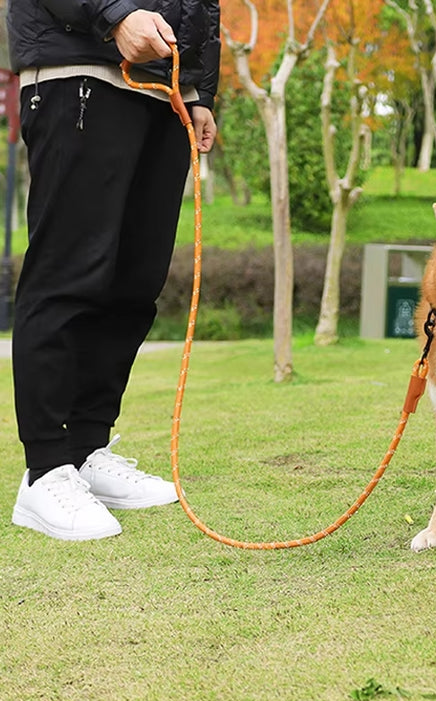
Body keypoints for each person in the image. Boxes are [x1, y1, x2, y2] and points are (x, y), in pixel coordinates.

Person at [7, 0, 220, 540]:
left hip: (165, 88)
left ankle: (85, 449)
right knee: (68, 276)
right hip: (77, 68)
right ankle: (46, 470)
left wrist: (200, 92)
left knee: (133, 283)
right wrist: (114, 13)